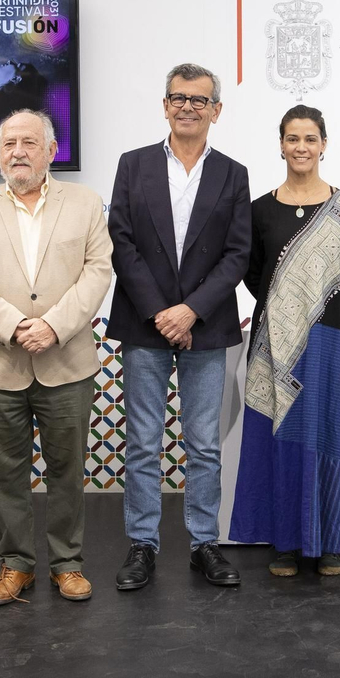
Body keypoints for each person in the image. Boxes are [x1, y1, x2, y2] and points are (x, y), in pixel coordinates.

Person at [0, 109, 113, 604]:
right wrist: (16, 326)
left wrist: (53, 327)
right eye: (7, 145)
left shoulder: (86, 204)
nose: (17, 152)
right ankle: (15, 564)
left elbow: (97, 272)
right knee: (3, 473)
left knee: (67, 469)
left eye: (27, 142)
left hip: (67, 361)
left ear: (50, 150)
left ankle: (67, 563)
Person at [106, 63, 252, 590]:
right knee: (143, 442)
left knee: (204, 444)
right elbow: (121, 241)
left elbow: (237, 254)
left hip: (206, 327)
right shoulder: (133, 164)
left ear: (216, 110)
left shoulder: (233, 173)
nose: (187, 106)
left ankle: (203, 543)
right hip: (146, 325)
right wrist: (163, 313)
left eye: (198, 99)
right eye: (177, 97)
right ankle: (142, 544)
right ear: (164, 106)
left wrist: (190, 311)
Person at [229, 106, 340, 577]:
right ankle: (285, 545)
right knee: (280, 442)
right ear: (281, 145)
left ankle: (329, 544)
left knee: (329, 440)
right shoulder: (260, 210)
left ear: (324, 144)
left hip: (333, 344)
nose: (302, 148)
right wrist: (288, 308)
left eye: (310, 139)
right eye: (293, 139)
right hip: (275, 344)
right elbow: (252, 273)